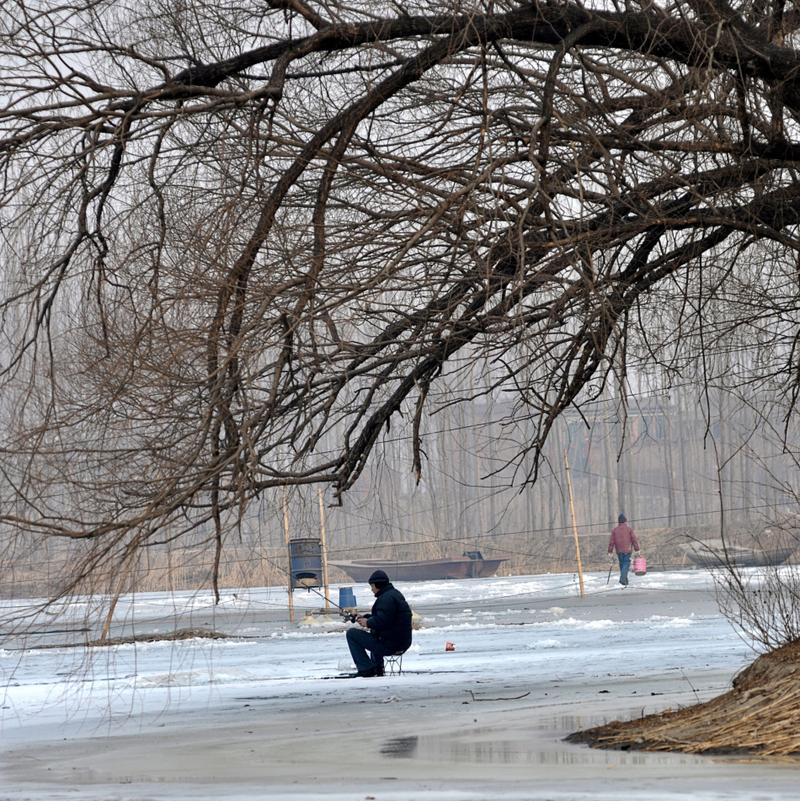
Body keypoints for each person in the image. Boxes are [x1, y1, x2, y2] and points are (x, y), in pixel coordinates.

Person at [345, 569, 412, 678]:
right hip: (401, 642)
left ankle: (366, 669)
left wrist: (368, 622)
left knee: (352, 634)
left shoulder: (385, 599)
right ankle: (377, 667)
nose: (371, 590)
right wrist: (366, 618)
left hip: (391, 644)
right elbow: (387, 618)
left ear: (377, 585)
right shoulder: (394, 594)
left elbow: (382, 621)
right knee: (375, 634)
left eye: (372, 586)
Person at [608, 513, 640, 587]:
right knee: (626, 564)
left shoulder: (614, 530)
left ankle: (625, 582)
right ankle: (623, 579)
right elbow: (634, 540)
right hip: (627, 550)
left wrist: (610, 551)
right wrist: (637, 549)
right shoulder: (629, 529)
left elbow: (611, 542)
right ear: (625, 521)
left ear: (619, 522)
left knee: (622, 564)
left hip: (619, 551)